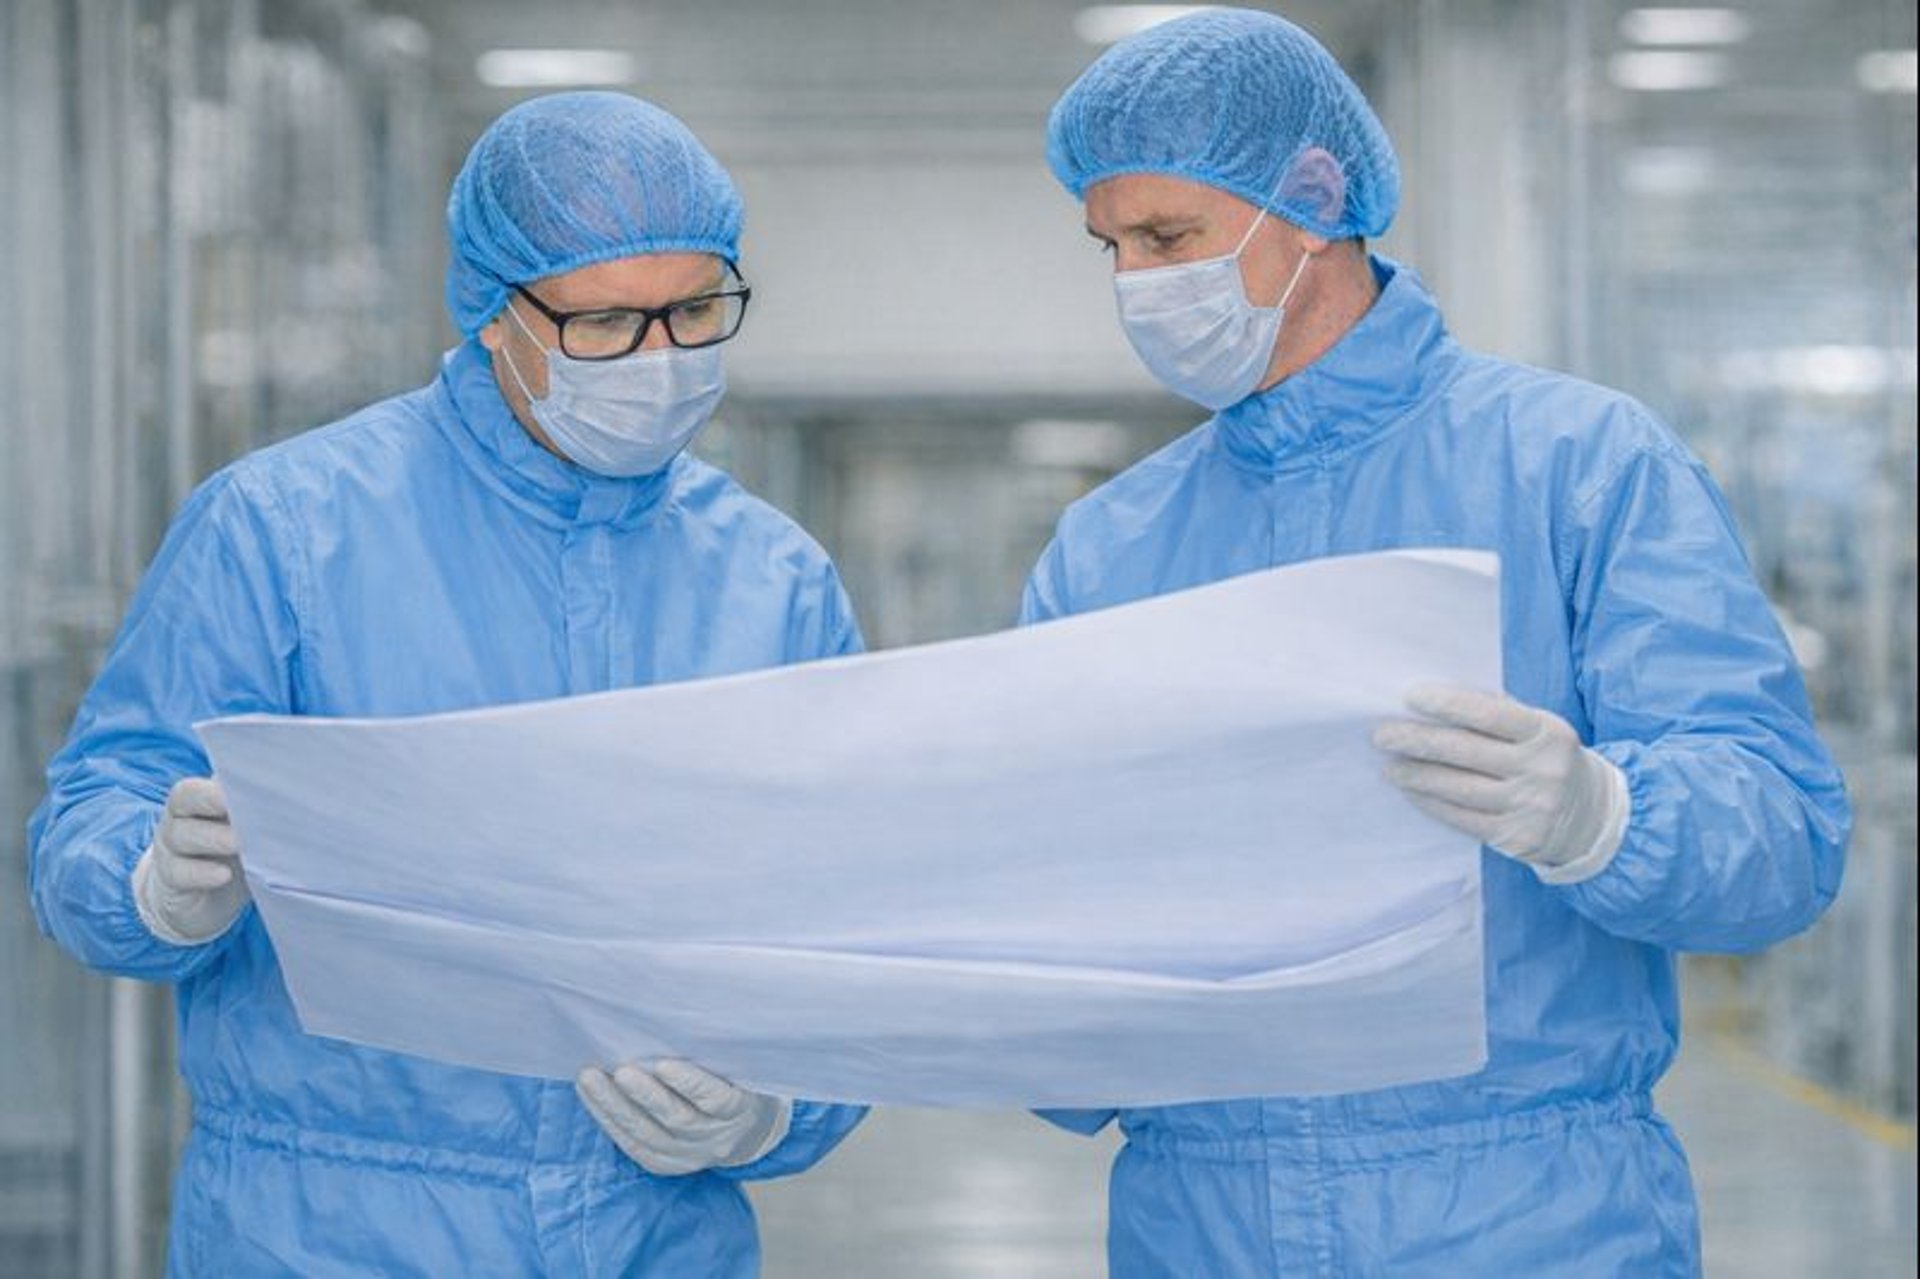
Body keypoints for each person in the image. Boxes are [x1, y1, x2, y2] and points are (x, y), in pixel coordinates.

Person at [1022, 10, 1851, 1276]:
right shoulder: (1108, 546)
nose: (1138, 280)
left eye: (1169, 237)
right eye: (1111, 247)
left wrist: (1605, 816)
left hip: (1528, 1220)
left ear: (1310, 199)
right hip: (1201, 1224)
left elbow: (1783, 839)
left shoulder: (1580, 466)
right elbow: (1033, 907)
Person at [28, 91, 864, 1276]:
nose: (662, 361)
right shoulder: (286, 529)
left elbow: (845, 919)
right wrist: (154, 885)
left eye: (694, 310)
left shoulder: (775, 579)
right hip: (324, 1228)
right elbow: (98, 809)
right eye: (607, 325)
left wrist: (779, 1110)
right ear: (493, 314)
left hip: (654, 1233)